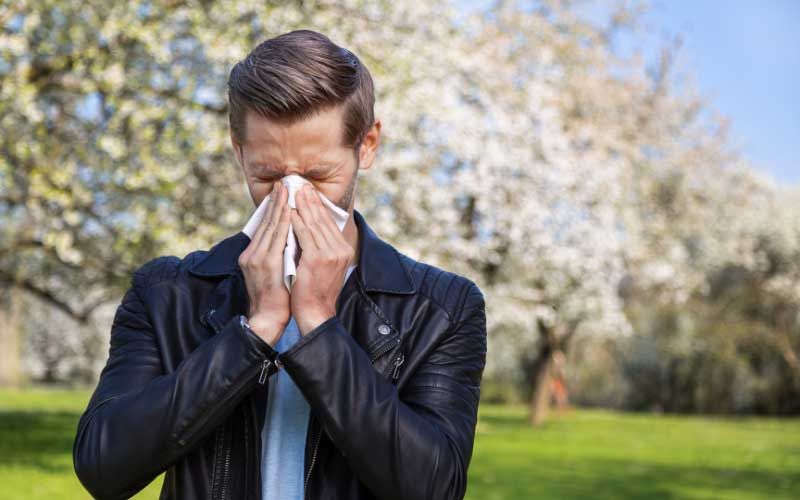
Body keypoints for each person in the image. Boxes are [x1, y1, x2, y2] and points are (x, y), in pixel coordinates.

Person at [73, 29, 487, 500]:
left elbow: (434, 486)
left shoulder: (442, 309)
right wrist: (254, 332)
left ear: (366, 145)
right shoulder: (167, 292)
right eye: (268, 175)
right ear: (239, 151)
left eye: (318, 175)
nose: (292, 196)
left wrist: (319, 327)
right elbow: (102, 468)